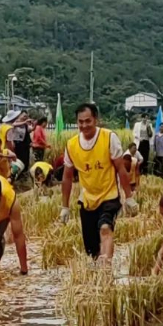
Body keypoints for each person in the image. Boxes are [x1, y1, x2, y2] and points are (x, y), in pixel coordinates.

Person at [60, 103, 137, 263]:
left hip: (109, 195)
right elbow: (67, 177)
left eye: (88, 121)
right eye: (80, 122)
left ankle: (106, 268)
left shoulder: (109, 138)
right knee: (91, 249)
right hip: (87, 199)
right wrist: (65, 207)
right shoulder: (71, 145)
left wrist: (129, 197)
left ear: (96, 119)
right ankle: (97, 269)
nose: (84, 125)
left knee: (105, 228)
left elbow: (121, 169)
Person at [7, 111, 32, 176]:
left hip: (24, 144)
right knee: (17, 158)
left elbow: (30, 130)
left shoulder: (26, 124)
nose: (25, 117)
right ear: (19, 115)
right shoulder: (15, 122)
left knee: (25, 159)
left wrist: (33, 124)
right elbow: (13, 125)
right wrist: (25, 122)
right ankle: (16, 173)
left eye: (26, 116)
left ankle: (24, 173)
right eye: (24, 116)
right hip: (16, 143)